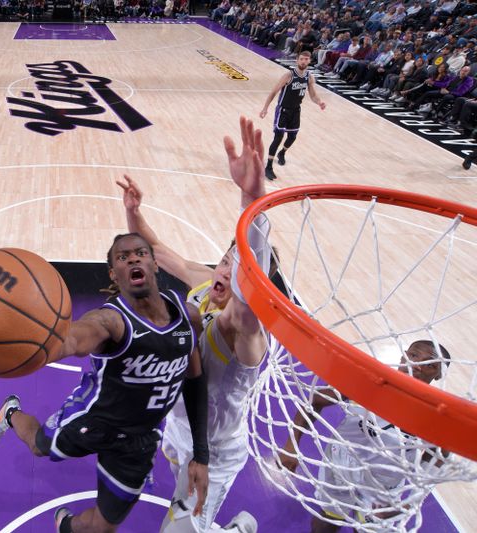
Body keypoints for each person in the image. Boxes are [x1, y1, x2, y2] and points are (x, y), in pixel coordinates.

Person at [0, 233, 211, 533]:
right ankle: (11, 412)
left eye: (140, 253)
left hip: (139, 438)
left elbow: (195, 381)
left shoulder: (189, 318)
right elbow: (65, 342)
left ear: (154, 263)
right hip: (94, 420)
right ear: (114, 273)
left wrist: (201, 454)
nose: (133, 258)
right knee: (39, 445)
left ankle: (65, 525)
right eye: (122, 257)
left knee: (104, 528)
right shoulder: (110, 322)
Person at [118, 117, 272, 533]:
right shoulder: (206, 282)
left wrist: (252, 201)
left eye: (236, 268)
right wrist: (134, 213)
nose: (225, 270)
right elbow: (159, 253)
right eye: (226, 259)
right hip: (180, 427)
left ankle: (239, 529)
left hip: (217, 450)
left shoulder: (245, 331)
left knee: (182, 531)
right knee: (183, 514)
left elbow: (246, 302)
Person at [278, 340, 451, 532]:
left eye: (431, 365)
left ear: (439, 374)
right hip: (340, 465)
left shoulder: (438, 416)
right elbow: (313, 402)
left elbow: (437, 457)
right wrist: (290, 446)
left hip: (384, 484)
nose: (417, 365)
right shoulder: (369, 382)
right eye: (414, 355)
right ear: (404, 355)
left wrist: (412, 501)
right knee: (327, 521)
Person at [259, 50, 326, 181]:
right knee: (278, 137)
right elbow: (273, 92)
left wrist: (320, 102)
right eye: (302, 59)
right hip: (283, 110)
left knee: (292, 137)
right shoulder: (288, 75)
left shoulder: (309, 77)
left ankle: (282, 152)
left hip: (296, 111)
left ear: (309, 61)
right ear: (297, 60)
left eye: (306, 59)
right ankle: (268, 167)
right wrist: (265, 108)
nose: (304, 61)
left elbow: (313, 95)